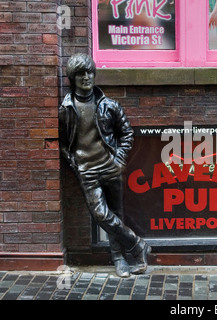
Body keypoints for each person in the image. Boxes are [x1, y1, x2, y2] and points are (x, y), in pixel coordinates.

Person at [59, 53, 150, 277]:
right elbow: (61, 142)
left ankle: (120, 260)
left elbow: (127, 133)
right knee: (101, 214)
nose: (87, 77)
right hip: (87, 170)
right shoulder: (66, 109)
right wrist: (75, 163)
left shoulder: (109, 105)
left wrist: (118, 160)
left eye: (90, 72)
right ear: (72, 77)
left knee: (116, 214)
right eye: (81, 73)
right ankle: (138, 245)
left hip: (110, 166)